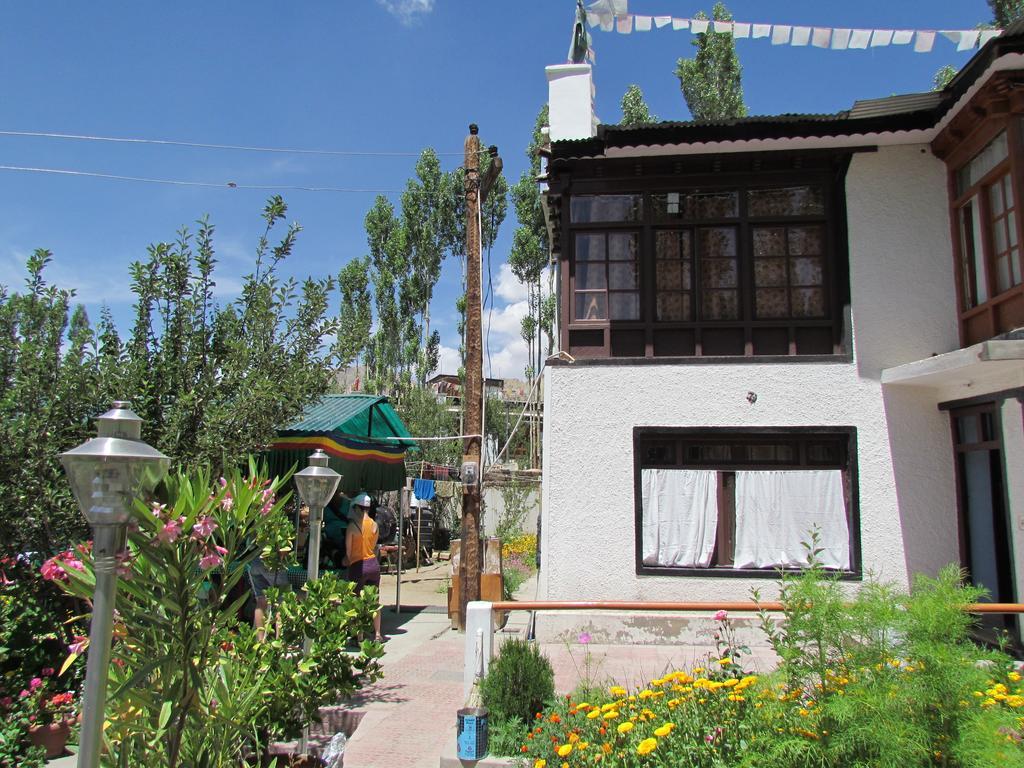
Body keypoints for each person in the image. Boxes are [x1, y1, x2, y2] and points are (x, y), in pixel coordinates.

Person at [345, 491, 384, 643]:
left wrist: (346, 561)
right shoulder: (375, 525)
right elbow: (373, 547)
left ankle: (359, 635)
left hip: (358, 565)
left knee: (356, 601)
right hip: (373, 565)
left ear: (357, 508)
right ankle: (378, 634)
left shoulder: (352, 526)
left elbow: (348, 553)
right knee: (374, 600)